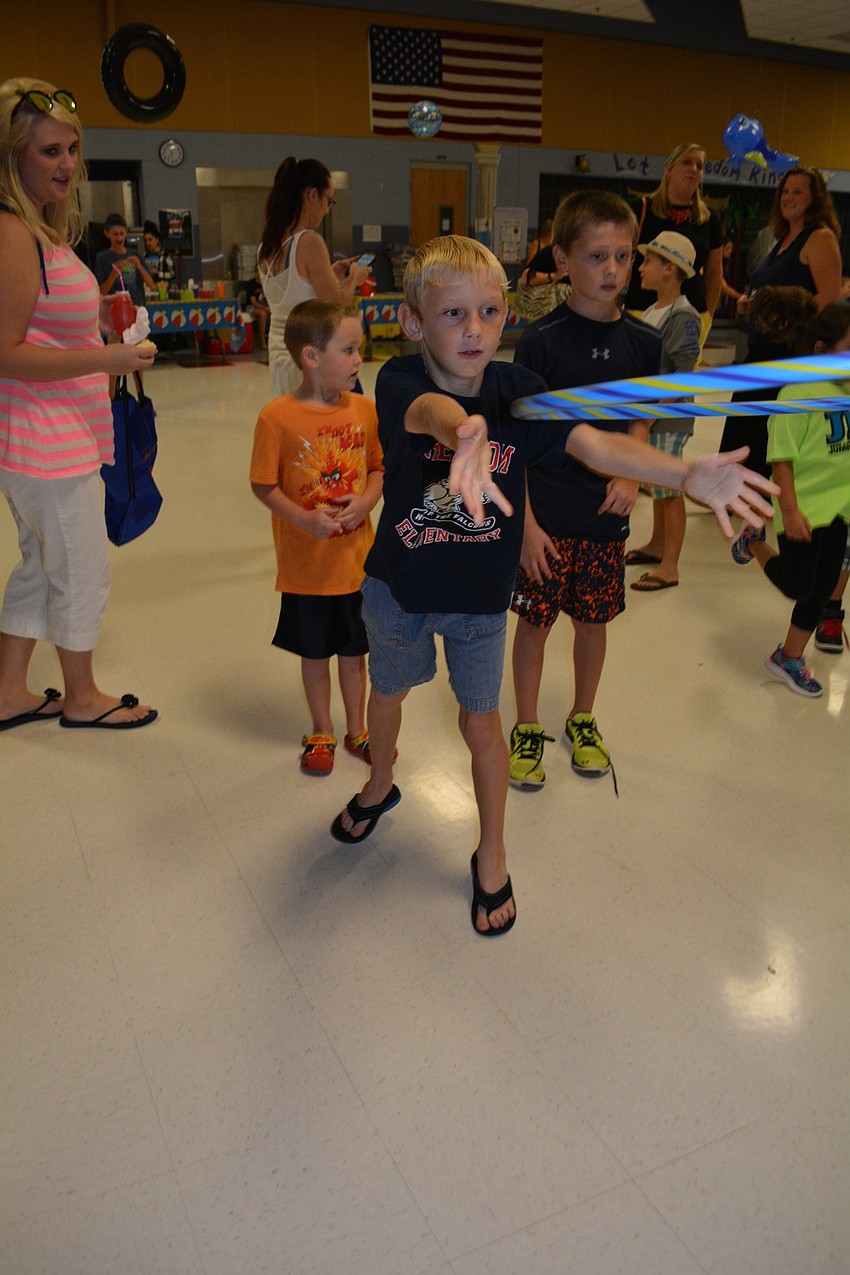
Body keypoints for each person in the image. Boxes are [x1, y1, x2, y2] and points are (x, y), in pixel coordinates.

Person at [328, 234, 776, 936]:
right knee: (390, 693)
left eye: (488, 311)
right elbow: (429, 417)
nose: (474, 331)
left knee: (482, 721)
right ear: (413, 322)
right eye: (452, 315)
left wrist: (680, 473)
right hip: (400, 587)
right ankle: (381, 779)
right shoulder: (398, 380)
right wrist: (467, 433)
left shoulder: (519, 392)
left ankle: (494, 852)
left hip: (481, 600)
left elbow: (592, 443)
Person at [0, 77, 156, 731]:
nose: (65, 164)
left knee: (41, 565)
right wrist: (107, 358)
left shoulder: (45, 228)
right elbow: (6, 351)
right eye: (47, 151)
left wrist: (101, 312)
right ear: (13, 157)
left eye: (70, 148)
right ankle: (83, 697)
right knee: (81, 569)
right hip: (44, 442)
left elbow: (46, 316)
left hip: (53, 437)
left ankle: (8, 691)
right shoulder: (12, 232)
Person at [509, 190, 659, 791]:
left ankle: (582, 718)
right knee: (535, 624)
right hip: (545, 513)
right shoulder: (542, 339)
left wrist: (631, 473)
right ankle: (525, 725)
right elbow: (515, 439)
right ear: (564, 259)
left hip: (604, 517)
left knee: (593, 622)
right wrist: (524, 524)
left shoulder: (644, 344)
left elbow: (641, 419)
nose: (613, 271)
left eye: (624, 257)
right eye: (598, 256)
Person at [250, 300, 383, 772]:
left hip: (355, 565)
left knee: (355, 654)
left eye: (358, 349)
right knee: (315, 653)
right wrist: (303, 520)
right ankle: (321, 729)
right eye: (347, 350)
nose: (357, 360)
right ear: (311, 357)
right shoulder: (277, 418)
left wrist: (366, 502)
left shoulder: (365, 410)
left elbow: (376, 469)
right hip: (306, 570)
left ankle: (358, 729)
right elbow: (263, 484)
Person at [730, 296, 850, 698]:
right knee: (798, 585)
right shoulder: (800, 392)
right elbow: (781, 458)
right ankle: (755, 543)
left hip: (840, 507)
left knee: (825, 585)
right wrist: (791, 509)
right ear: (820, 350)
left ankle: (788, 656)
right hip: (802, 507)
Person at [721, 166, 843, 477]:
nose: (789, 198)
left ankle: (756, 495)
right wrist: (755, 304)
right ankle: (739, 490)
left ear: (815, 198)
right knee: (743, 428)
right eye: (785, 191)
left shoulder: (820, 238)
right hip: (761, 351)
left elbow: (828, 296)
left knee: (764, 436)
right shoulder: (782, 238)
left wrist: (783, 321)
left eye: (798, 192)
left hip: (787, 354)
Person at [627, 231, 702, 593]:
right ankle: (658, 545)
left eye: (649, 261)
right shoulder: (654, 310)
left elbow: (681, 376)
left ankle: (670, 566)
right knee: (658, 485)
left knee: (670, 489)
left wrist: (651, 416)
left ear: (669, 268)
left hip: (667, 415)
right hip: (651, 413)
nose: (641, 268)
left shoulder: (683, 316)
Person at [257, 157, 369, 398]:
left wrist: (329, 272)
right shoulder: (309, 241)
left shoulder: (267, 246)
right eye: (328, 200)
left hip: (280, 353)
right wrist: (354, 278)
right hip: (312, 356)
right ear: (312, 195)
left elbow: (296, 291)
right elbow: (338, 304)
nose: (328, 209)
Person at [622, 142, 723, 349]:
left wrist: (708, 317)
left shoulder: (709, 218)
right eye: (686, 162)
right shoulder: (640, 209)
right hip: (641, 309)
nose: (693, 169)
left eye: (699, 165)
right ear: (669, 170)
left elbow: (714, 272)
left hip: (692, 314)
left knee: (681, 377)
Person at [93, 211, 153, 307]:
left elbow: (151, 284)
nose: (119, 238)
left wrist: (140, 267)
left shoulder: (135, 254)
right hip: (114, 312)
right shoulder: (102, 258)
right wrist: (113, 274)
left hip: (136, 309)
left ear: (126, 232)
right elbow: (101, 292)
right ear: (107, 234)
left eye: (122, 233)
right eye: (115, 234)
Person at [142, 220, 174, 289]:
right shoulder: (144, 256)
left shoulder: (166, 255)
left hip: (162, 289)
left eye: (150, 239)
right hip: (148, 289)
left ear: (157, 240)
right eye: (145, 240)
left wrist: (158, 273)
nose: (148, 243)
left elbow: (172, 274)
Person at [247, 268, 271, 351]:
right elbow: (254, 303)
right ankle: (262, 342)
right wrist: (266, 309)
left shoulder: (267, 284)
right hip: (251, 308)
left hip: (265, 306)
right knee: (263, 314)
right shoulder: (251, 284)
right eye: (258, 272)